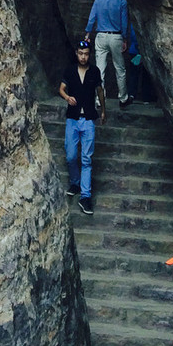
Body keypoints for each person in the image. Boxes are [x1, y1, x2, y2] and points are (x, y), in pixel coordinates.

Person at [58, 38, 106, 214]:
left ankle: (86, 196)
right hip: (72, 118)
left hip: (88, 121)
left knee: (86, 159)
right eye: (80, 53)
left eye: (86, 54)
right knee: (71, 155)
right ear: (76, 54)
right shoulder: (70, 71)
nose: (83, 57)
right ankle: (75, 182)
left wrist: (103, 110)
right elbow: (61, 88)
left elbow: (100, 91)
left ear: (89, 55)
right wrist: (67, 98)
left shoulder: (95, 71)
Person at [84, 0, 132, 106]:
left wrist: (88, 33)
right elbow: (124, 23)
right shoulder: (122, 2)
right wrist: (125, 39)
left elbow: (92, 18)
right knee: (120, 68)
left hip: (101, 35)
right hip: (116, 36)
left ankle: (99, 99)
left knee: (99, 69)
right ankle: (123, 98)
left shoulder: (99, 0)